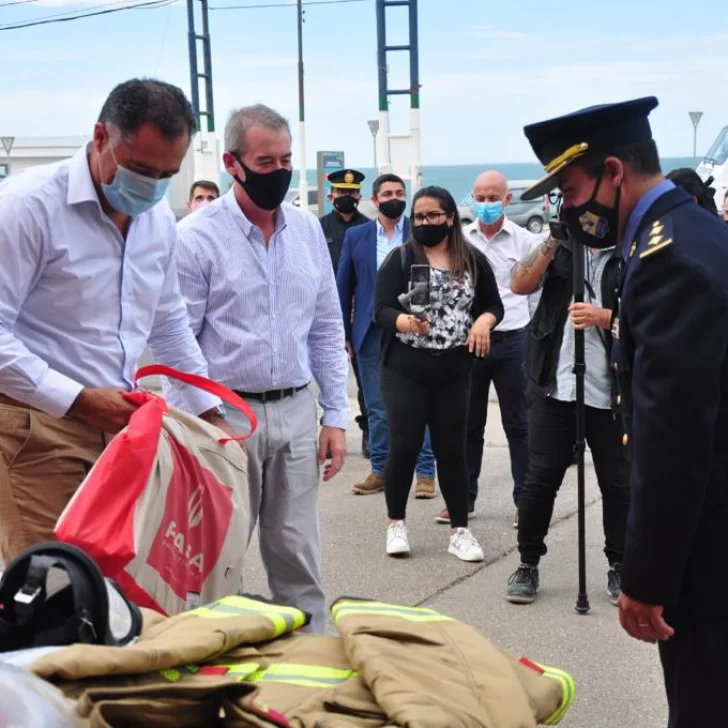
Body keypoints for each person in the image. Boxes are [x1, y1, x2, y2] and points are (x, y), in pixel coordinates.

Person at [519, 96, 728, 728]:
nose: (570, 209)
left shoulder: (666, 259)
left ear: (614, 172)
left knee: (703, 696)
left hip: (709, 529)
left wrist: (645, 577)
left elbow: (674, 436)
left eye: (574, 190)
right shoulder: (690, 232)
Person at [0, 78, 232, 564]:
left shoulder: (158, 222)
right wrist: (79, 400)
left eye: (166, 175)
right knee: (52, 585)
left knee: (116, 583)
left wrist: (210, 416)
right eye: (141, 169)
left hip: (121, 429)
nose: (150, 187)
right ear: (101, 137)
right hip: (36, 427)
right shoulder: (26, 207)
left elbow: (168, 323)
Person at [169, 104, 349, 634]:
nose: (280, 172)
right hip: (222, 416)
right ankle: (206, 665)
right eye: (265, 161)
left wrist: (335, 414)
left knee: (298, 553)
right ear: (232, 162)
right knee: (214, 559)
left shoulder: (307, 231)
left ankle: (312, 661)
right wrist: (208, 417)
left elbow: (325, 325)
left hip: (295, 411)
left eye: (286, 159)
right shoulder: (196, 237)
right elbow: (177, 339)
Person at [506, 155, 630, 605]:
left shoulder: (630, 252)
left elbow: (647, 320)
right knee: (541, 478)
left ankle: (620, 566)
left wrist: (603, 317)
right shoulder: (560, 247)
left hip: (611, 387)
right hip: (555, 382)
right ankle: (527, 563)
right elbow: (519, 284)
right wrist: (553, 243)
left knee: (618, 483)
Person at [374, 185, 503, 560]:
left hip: (454, 367)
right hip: (405, 367)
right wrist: (403, 321)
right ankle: (395, 523)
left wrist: (483, 322)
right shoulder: (400, 259)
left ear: (449, 218)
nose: (425, 223)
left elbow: (495, 305)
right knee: (406, 444)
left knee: (451, 449)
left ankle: (460, 530)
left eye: (433, 216)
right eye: (418, 217)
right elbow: (379, 310)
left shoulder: (471, 260)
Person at [442, 170, 541, 529]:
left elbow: (534, 295)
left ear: (507, 199)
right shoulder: (461, 241)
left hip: (513, 341)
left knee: (519, 424)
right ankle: (462, 499)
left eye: (492, 198)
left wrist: (530, 339)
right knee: (467, 424)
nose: (485, 205)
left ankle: (524, 502)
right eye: (479, 198)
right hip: (470, 344)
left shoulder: (525, 241)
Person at [337, 174, 436, 498]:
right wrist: (344, 331)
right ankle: (379, 469)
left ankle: (424, 473)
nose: (395, 197)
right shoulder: (357, 236)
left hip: (416, 330)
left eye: (400, 192)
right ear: (375, 200)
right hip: (370, 333)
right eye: (387, 193)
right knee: (377, 406)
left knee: (419, 404)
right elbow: (344, 286)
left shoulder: (420, 233)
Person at [319, 169, 370, 458]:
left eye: (351, 193)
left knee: (364, 379)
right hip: (326, 313)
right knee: (327, 375)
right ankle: (328, 428)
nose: (347, 198)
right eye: (341, 193)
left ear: (359, 196)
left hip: (357, 312)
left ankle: (368, 430)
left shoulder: (369, 228)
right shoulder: (319, 227)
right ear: (331, 196)